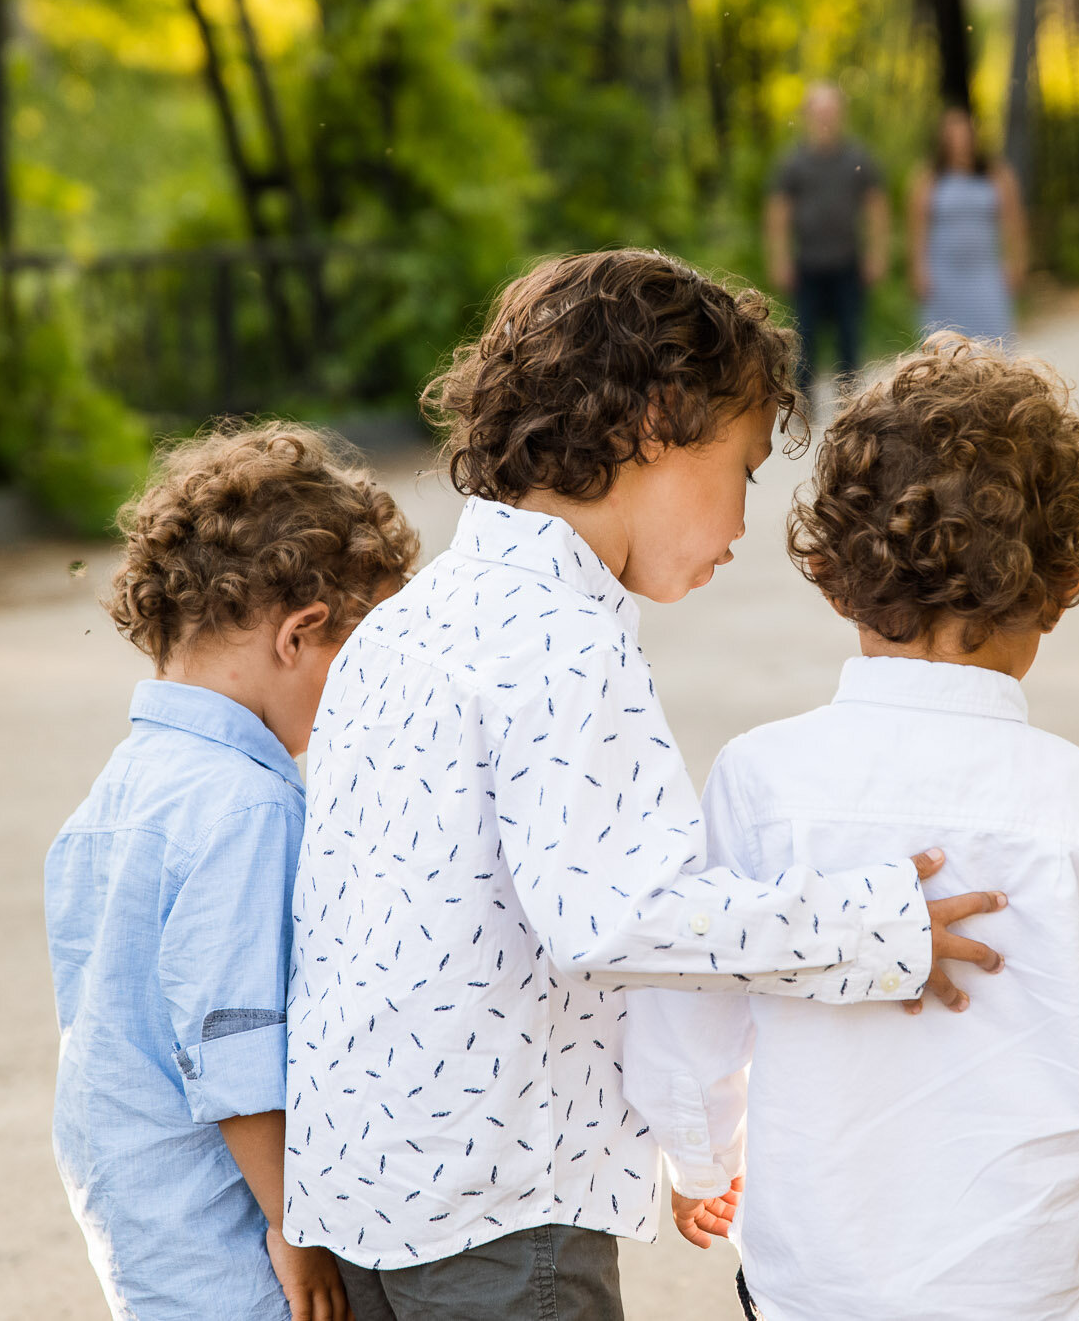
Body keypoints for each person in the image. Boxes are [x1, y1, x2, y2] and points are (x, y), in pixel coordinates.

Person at [282, 251, 1008, 1321]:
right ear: (657, 421)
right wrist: (874, 924)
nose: (743, 523)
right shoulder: (566, 642)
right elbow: (624, 912)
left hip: (363, 1193)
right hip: (503, 1205)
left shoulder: (403, 623)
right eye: (746, 467)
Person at [623, 335, 1079, 1321]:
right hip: (1020, 1279)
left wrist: (700, 1156)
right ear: (1062, 585)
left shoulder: (761, 781)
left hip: (815, 1272)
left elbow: (690, 1009)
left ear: (834, 572)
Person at [45, 423, 420, 1321]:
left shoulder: (115, 795)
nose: (368, 698)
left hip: (146, 1226)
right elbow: (235, 1044)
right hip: (236, 1237)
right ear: (301, 634)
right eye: (361, 665)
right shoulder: (247, 807)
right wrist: (299, 1226)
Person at [765, 81, 889, 393]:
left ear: (840, 114)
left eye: (830, 111)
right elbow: (778, 214)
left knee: (850, 339)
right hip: (807, 264)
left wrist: (877, 254)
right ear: (807, 115)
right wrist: (779, 259)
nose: (825, 118)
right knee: (804, 339)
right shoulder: (792, 161)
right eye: (819, 111)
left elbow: (876, 208)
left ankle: (849, 403)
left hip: (848, 262)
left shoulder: (857, 157)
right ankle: (804, 405)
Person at [908, 107, 1029, 343]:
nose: (959, 141)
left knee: (993, 341)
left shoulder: (997, 174)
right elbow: (918, 227)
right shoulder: (928, 177)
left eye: (964, 134)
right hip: (944, 274)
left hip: (984, 272)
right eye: (952, 135)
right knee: (944, 345)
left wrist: (1016, 260)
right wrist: (919, 268)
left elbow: (1013, 222)